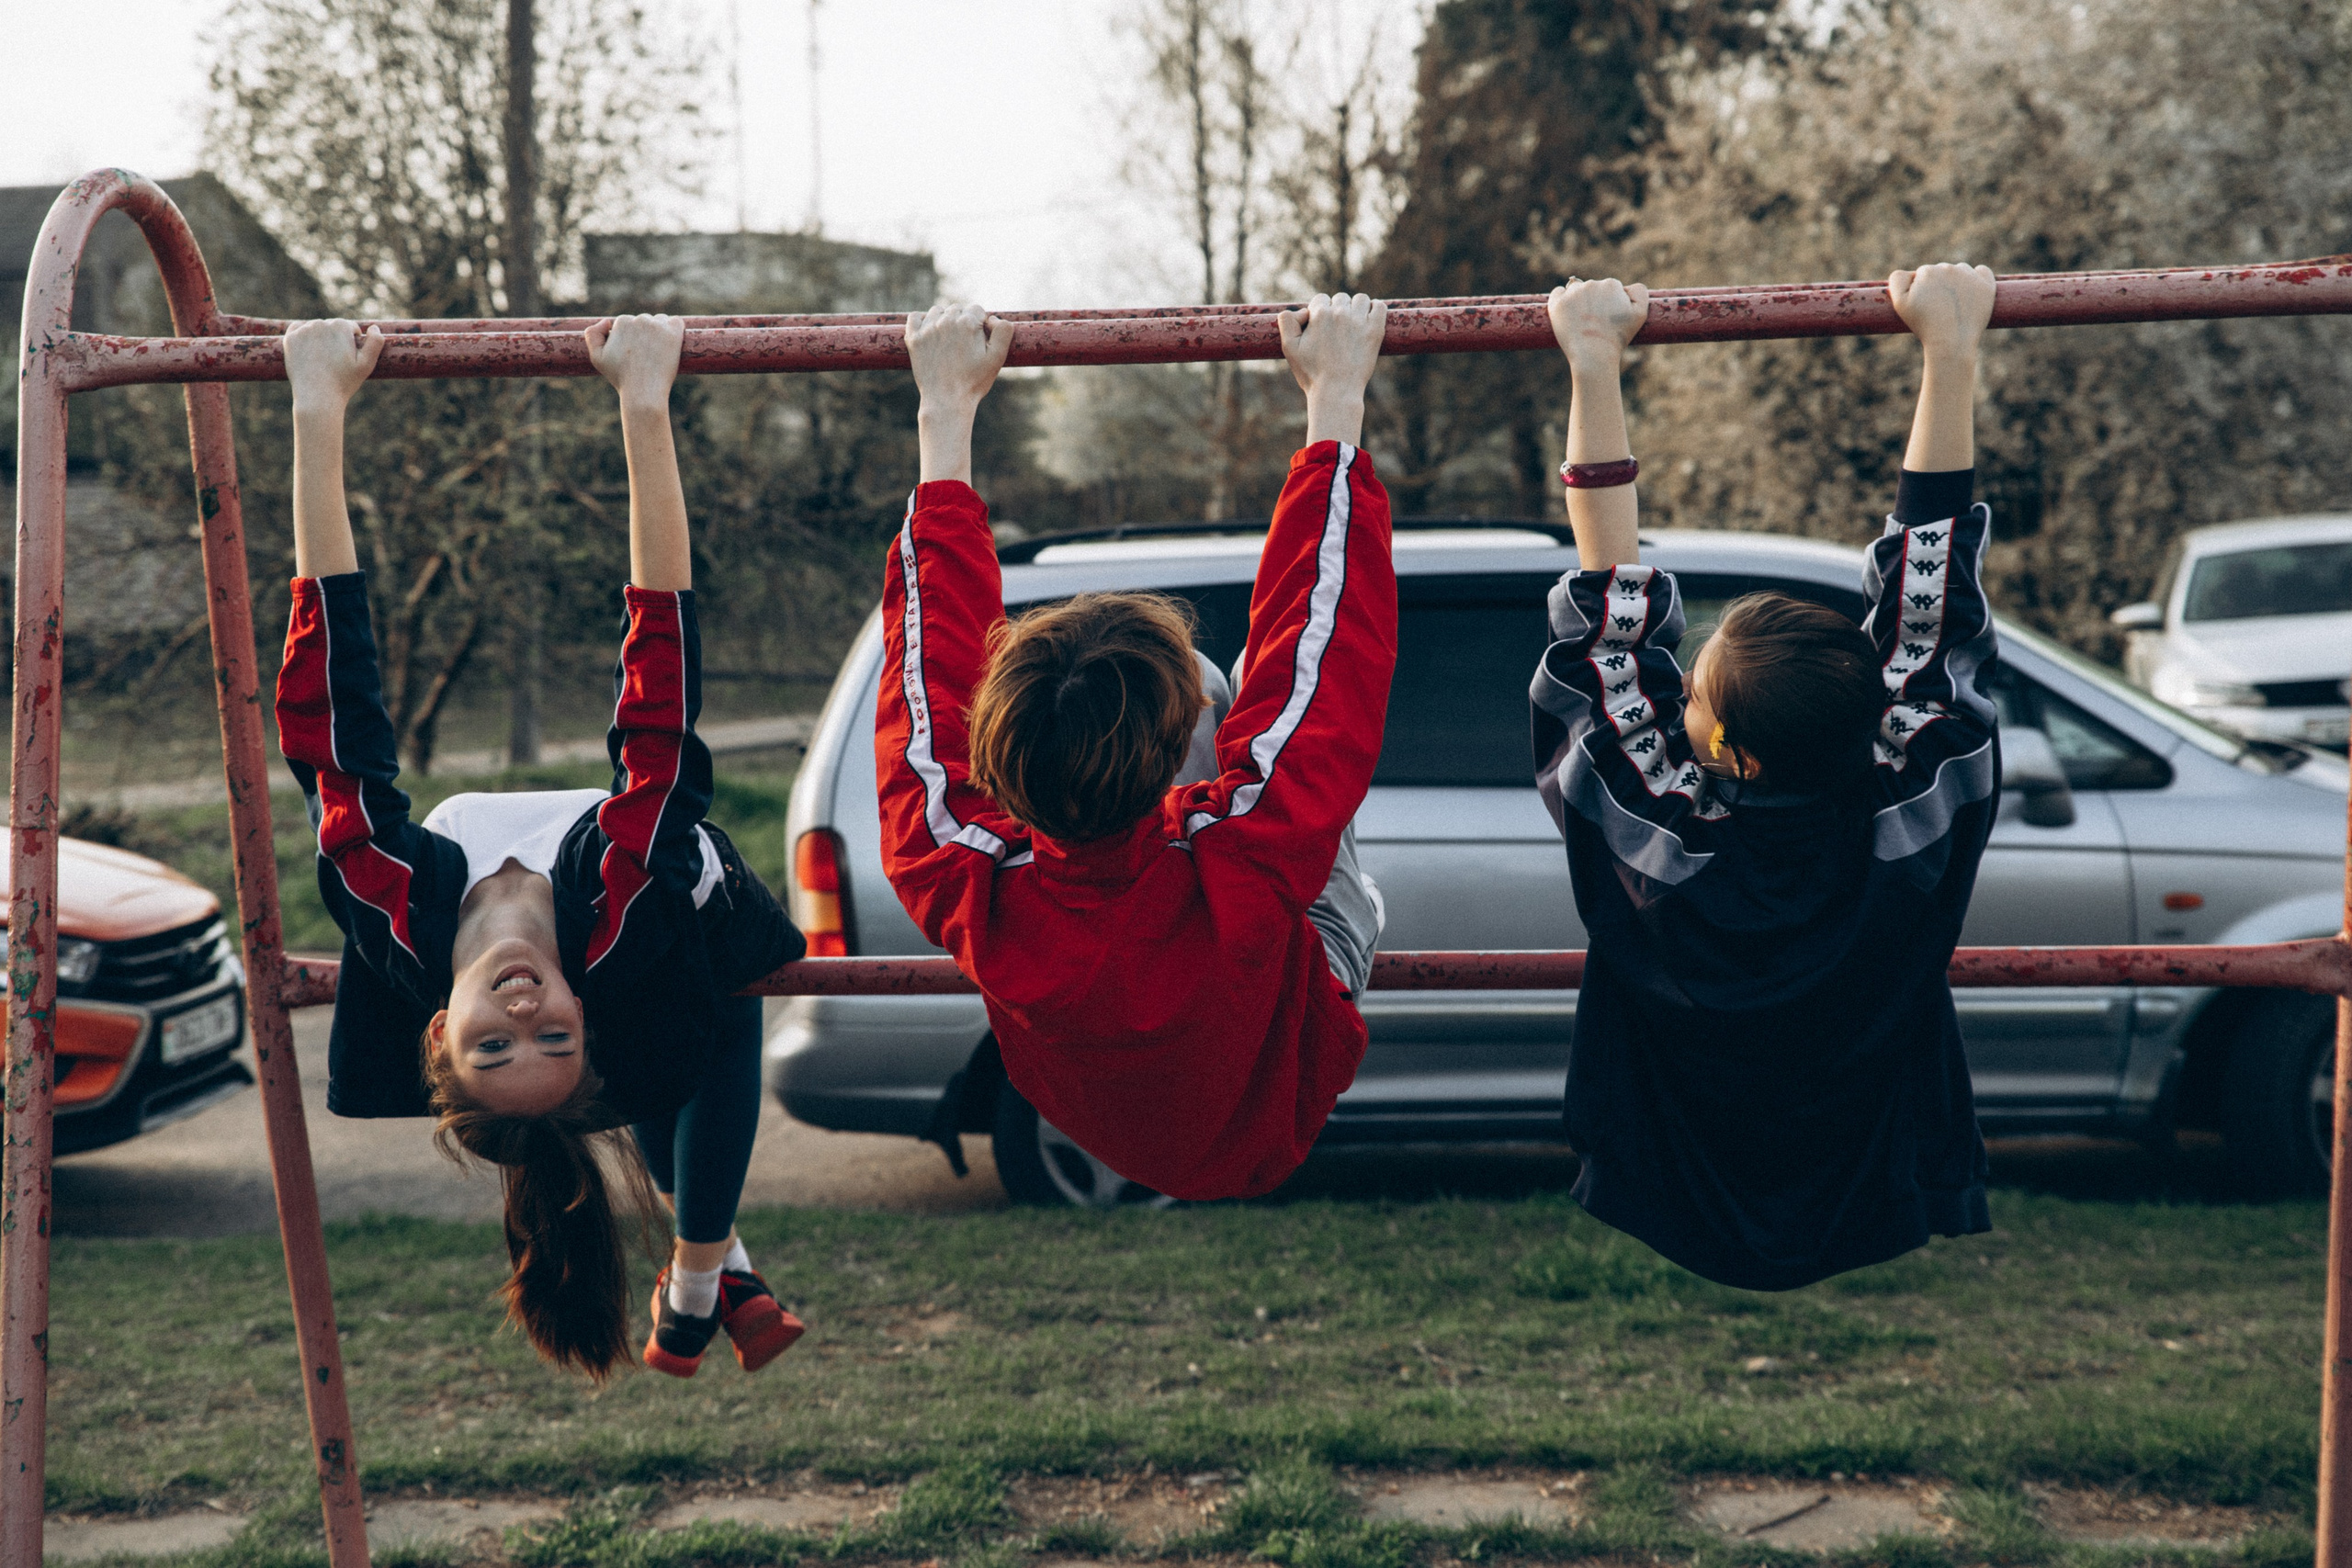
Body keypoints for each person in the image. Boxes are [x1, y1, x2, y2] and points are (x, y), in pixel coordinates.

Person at [274, 313, 807, 1378]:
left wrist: (317, 409)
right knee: (700, 993)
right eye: (552, 1043)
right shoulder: (610, 913)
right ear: (577, 1018)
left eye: (492, 1048)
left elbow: (333, 711)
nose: (526, 1020)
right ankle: (706, 1268)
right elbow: (660, 697)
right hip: (690, 915)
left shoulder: (388, 895)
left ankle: (707, 1271)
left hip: (638, 968)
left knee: (659, 1052)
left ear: (438, 1033)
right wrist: (643, 405)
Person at [1529, 264, 2002, 1290]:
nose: (1674, 696)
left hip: (1669, 1178)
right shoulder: (1913, 819)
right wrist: (1952, 349)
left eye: (1690, 695)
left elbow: (1609, 626)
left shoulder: (1664, 846)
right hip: (1874, 1176)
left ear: (1731, 755)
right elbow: (1930, 619)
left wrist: (1594, 365)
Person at [876, 295, 1396, 1201]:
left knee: (1251, 730)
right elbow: (1320, 666)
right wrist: (1332, 401)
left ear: (994, 756)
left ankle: (1154, 699)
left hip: (1106, 1117)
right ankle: (1182, 692)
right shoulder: (1240, 854)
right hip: (1276, 1091)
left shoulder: (963, 873)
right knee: (1221, 689)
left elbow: (925, 687)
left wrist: (943, 414)